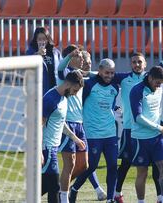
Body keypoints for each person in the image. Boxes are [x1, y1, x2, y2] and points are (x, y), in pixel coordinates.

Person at [113, 29, 163, 203]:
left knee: (162, 166)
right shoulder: (125, 79)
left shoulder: (155, 75)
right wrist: (83, 73)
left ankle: (161, 198)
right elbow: (103, 76)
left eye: (139, 62)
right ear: (130, 64)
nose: (136, 64)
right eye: (133, 62)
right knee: (128, 164)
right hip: (132, 129)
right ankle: (116, 193)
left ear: (145, 64)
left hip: (153, 133)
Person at [57, 45, 106, 201]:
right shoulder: (66, 74)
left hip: (79, 123)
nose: (83, 60)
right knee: (69, 164)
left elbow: (99, 76)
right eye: (80, 57)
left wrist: (85, 72)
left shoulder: (79, 76)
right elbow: (60, 67)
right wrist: (70, 55)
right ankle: (63, 197)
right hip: (67, 123)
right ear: (72, 58)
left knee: (84, 165)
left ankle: (59, 188)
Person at [69, 59, 119, 203]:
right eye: (106, 72)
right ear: (100, 70)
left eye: (112, 73)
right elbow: (80, 103)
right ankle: (74, 189)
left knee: (113, 166)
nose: (109, 75)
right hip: (92, 133)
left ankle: (110, 199)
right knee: (90, 166)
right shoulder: (89, 85)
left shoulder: (115, 87)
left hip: (110, 133)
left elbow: (111, 105)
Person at [41, 71, 86, 203]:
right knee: (54, 187)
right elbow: (39, 124)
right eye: (74, 90)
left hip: (53, 147)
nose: (75, 94)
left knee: (48, 186)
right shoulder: (50, 98)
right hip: (47, 148)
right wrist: (39, 151)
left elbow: (61, 123)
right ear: (68, 84)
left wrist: (75, 139)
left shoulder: (64, 98)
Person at [130, 66, 163, 203]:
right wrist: (159, 127)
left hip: (157, 138)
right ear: (150, 78)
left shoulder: (159, 86)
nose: (158, 86)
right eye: (157, 83)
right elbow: (138, 118)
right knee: (143, 173)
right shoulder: (137, 90)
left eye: (161, 83)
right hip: (140, 139)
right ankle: (141, 201)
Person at [26, 26, 62, 94]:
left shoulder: (56, 53)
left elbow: (62, 68)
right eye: (39, 39)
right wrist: (37, 55)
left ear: (48, 39)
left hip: (55, 90)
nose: (42, 41)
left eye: (44, 39)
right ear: (36, 40)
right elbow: (27, 66)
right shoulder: (30, 52)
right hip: (38, 91)